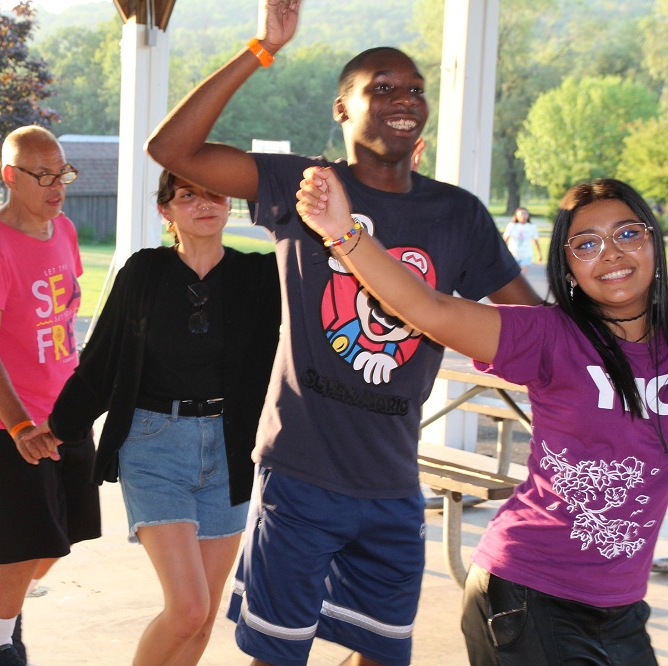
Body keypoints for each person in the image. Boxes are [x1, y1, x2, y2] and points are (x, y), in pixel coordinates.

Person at [145, 1, 543, 663]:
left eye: (415, 88)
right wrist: (261, 48)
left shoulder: (458, 216)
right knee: (279, 654)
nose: (404, 98)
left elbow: (532, 326)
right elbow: (172, 149)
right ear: (343, 108)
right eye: (380, 87)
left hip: (391, 481)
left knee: (383, 654)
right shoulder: (302, 184)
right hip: (300, 473)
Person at [298, 171, 665, 665]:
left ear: (653, 242)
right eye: (586, 244)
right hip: (528, 597)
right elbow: (429, 308)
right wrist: (344, 234)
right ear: (567, 268)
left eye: (627, 233)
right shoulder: (549, 336)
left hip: (622, 607)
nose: (612, 253)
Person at [22, 169, 280, 665]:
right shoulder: (144, 273)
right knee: (187, 608)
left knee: (202, 620)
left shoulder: (258, 277)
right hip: (154, 444)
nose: (203, 204)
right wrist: (59, 426)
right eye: (187, 196)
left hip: (230, 452)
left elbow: (322, 262)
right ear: (166, 211)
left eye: (213, 193)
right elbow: (101, 361)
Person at [0, 125, 101, 666]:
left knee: (58, 539)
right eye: (41, 176)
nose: (55, 185)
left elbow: (65, 320)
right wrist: (21, 427)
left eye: (61, 173)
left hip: (64, 412)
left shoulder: (63, 230)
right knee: (19, 542)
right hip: (6, 422)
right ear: (10, 177)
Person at [502, 207, 541, 274]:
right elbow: (505, 240)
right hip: (513, 255)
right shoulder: (511, 226)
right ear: (516, 215)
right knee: (512, 276)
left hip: (526, 255)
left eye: (525, 213)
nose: (523, 215)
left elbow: (535, 241)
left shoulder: (532, 227)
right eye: (521, 214)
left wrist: (539, 254)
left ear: (528, 215)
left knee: (522, 276)